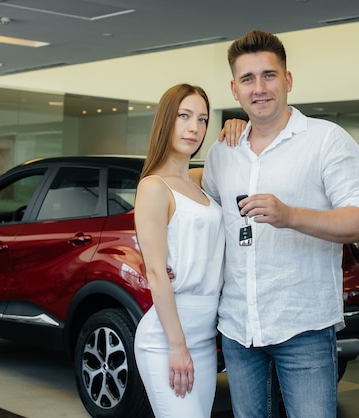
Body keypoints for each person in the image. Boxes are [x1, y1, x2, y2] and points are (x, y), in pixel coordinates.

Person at [202, 30, 359, 418]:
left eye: (269, 75)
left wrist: (291, 216)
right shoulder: (221, 153)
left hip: (303, 327)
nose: (259, 87)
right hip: (238, 328)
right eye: (247, 79)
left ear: (288, 80)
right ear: (234, 89)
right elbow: (210, 225)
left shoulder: (326, 140)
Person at [133, 83, 228, 417]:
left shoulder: (198, 180)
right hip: (167, 339)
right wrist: (177, 346)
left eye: (203, 119)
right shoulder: (153, 187)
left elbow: (235, 161)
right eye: (184, 116)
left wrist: (237, 125)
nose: (194, 128)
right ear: (165, 121)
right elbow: (157, 273)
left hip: (204, 337)